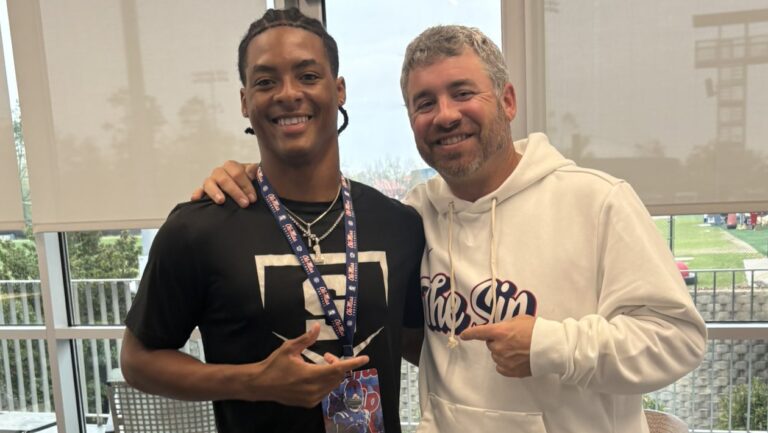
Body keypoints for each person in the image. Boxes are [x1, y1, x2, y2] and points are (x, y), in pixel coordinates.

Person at [194, 25, 707, 433]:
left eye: (463, 93)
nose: (444, 115)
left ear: (506, 102)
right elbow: (420, 338)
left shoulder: (597, 201)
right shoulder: (414, 218)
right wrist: (248, 177)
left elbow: (679, 339)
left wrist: (552, 346)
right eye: (424, 103)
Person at [121, 8, 424, 433]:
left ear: (339, 90)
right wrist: (252, 382)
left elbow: (425, 345)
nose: (288, 93)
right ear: (245, 101)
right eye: (265, 81)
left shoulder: (399, 224)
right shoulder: (198, 229)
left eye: (307, 75)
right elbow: (137, 362)